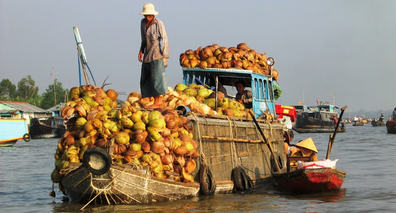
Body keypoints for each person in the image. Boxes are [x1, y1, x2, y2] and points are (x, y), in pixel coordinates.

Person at [138, 3, 169, 98]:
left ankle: (158, 100)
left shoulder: (158, 23)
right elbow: (143, 39)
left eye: (150, 15)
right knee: (145, 80)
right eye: (146, 15)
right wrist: (141, 51)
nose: (148, 17)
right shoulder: (142, 23)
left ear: (153, 15)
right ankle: (148, 99)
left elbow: (164, 39)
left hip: (157, 55)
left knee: (157, 79)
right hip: (147, 55)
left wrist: (165, 56)